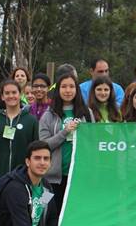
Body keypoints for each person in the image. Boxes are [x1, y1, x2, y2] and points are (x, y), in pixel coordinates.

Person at [39, 73, 95, 218]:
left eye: (71, 86)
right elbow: (44, 145)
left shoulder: (86, 113)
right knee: (54, 217)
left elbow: (93, 141)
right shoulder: (49, 115)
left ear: (77, 89)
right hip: (54, 178)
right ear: (58, 90)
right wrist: (65, 132)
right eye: (64, 86)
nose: (68, 90)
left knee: (77, 216)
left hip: (79, 175)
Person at [0, 79, 40, 190]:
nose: (11, 96)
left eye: (14, 92)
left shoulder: (31, 121)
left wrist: (32, 172)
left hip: (23, 177)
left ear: (20, 94)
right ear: (2, 97)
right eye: (7, 93)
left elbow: (35, 149)